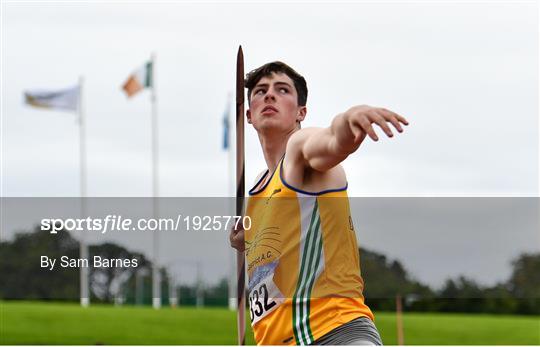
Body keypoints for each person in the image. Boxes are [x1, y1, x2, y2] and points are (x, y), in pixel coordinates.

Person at [230, 61, 408, 345]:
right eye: (261, 91)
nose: (269, 95)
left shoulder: (300, 151)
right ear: (249, 115)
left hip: (333, 333)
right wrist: (248, 242)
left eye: (282, 90)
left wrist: (350, 120)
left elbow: (331, 141)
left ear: (301, 111)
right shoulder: (257, 192)